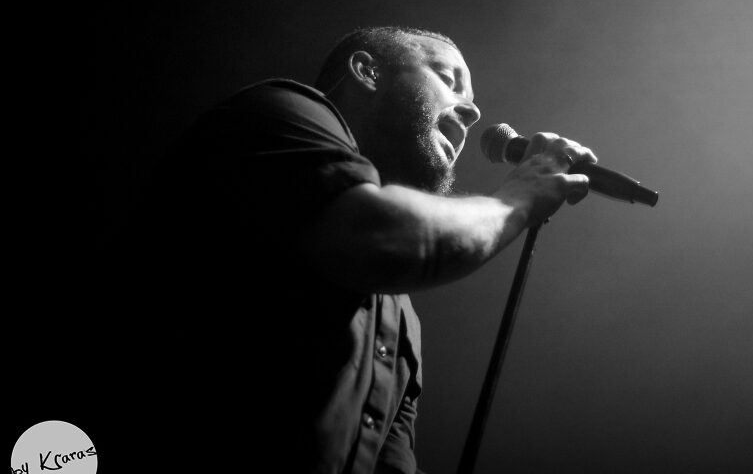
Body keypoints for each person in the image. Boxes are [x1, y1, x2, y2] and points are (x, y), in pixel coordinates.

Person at [123, 26, 595, 474]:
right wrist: (516, 199)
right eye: (448, 79)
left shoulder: (400, 313)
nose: (472, 113)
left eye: (471, 101)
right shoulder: (278, 113)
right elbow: (377, 237)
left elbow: (389, 461)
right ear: (367, 71)